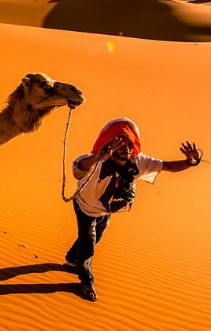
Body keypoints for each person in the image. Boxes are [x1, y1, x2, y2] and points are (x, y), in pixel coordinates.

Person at [65, 117, 201, 302]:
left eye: (129, 144)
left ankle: (73, 257)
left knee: (96, 235)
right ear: (109, 146)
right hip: (85, 207)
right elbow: (78, 169)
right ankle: (86, 280)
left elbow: (167, 166)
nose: (126, 149)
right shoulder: (94, 161)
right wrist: (98, 156)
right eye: (120, 145)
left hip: (105, 210)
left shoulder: (138, 162)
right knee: (89, 242)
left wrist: (190, 162)